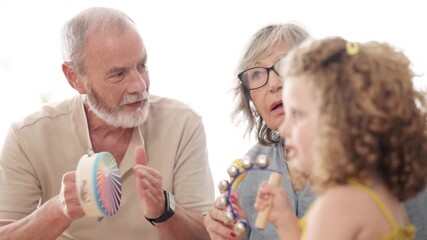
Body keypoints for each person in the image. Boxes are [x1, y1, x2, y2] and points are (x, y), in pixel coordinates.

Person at [0, 7, 214, 240]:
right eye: (119, 74)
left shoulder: (183, 123)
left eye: (142, 65)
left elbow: (206, 235)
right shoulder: (28, 136)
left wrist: (164, 210)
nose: (139, 86)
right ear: (75, 78)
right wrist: (58, 209)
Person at [254, 36, 427, 239]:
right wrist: (286, 222)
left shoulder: (339, 205)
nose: (284, 128)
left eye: (298, 114)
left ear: (340, 120)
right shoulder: (379, 193)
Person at [204, 23, 316, 240]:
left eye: (285, 66)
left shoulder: (365, 152)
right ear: (250, 99)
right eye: (256, 75)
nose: (273, 84)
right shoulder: (250, 170)